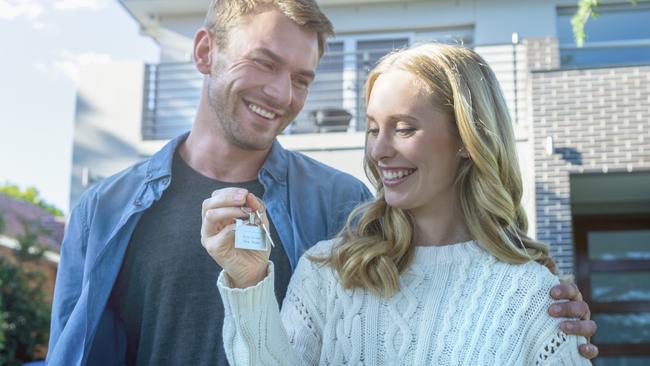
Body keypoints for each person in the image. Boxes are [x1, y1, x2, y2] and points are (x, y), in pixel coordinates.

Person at [47, 0, 596, 364]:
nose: (283, 94)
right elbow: (73, 348)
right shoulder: (104, 208)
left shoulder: (347, 206)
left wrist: (540, 311)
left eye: (302, 78)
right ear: (204, 52)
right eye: (263, 63)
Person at [204, 43, 596, 365]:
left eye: (404, 128)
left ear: (466, 139)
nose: (379, 149)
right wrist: (248, 281)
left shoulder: (532, 294)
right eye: (373, 129)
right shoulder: (329, 273)